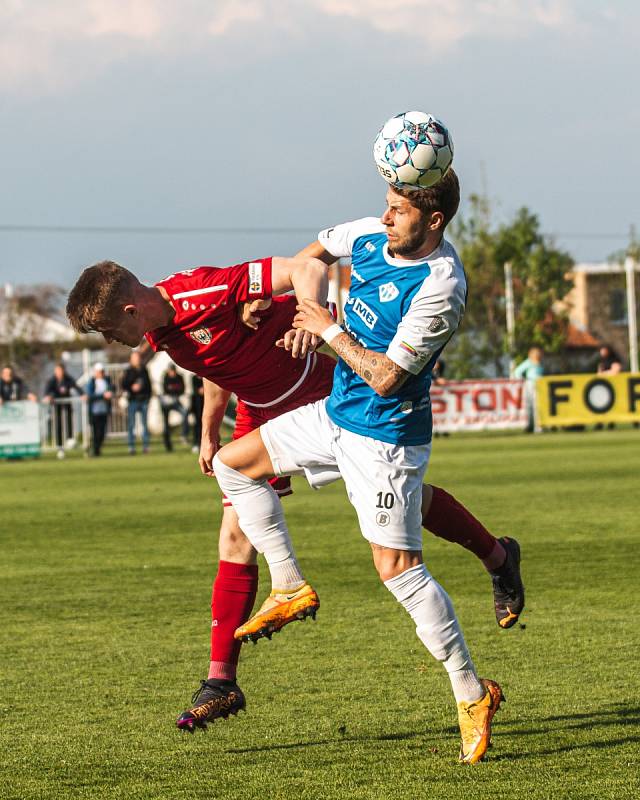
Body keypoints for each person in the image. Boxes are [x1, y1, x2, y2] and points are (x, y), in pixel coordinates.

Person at [65, 247, 522, 747]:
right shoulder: (157, 325)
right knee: (236, 529)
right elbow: (214, 364)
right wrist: (209, 430)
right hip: (260, 410)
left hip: (317, 394)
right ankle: (223, 678)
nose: (111, 341)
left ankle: (498, 557)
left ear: (130, 310)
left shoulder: (206, 289)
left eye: (110, 331)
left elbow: (308, 266)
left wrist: (309, 317)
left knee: (404, 506)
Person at [212, 170, 506, 763]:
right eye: (389, 203)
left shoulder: (441, 285)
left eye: (399, 209)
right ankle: (290, 584)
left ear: (434, 221)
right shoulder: (374, 234)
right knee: (233, 463)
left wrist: (327, 331)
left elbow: (388, 377)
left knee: (396, 568)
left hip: (386, 438)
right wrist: (303, 301)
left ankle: (472, 691)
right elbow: (312, 255)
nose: (386, 215)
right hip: (336, 414)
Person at [43, 363, 81, 457]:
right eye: (57, 371)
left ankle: (70, 438)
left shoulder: (68, 379)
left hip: (67, 404)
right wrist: (47, 396)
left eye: (61, 370)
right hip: (56, 406)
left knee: (69, 420)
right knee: (58, 425)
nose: (59, 373)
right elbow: (47, 391)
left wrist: (82, 394)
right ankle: (60, 447)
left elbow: (76, 387)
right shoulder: (52, 380)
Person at [122, 351, 152, 454]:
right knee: (131, 425)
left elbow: (149, 385)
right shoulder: (128, 371)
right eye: (135, 358)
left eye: (138, 358)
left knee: (144, 424)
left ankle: (146, 446)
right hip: (133, 400)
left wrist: (148, 397)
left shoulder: (144, 370)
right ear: (131, 359)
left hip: (143, 400)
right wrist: (132, 388)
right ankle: (131, 447)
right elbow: (124, 384)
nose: (137, 360)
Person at [85, 363, 113, 456]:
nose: (101, 373)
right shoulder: (91, 382)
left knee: (102, 432)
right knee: (96, 432)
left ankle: (97, 449)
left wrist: (111, 393)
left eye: (102, 371)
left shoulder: (107, 381)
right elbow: (90, 396)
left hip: (104, 410)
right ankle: (95, 450)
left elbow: (112, 389)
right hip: (94, 411)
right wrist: (103, 396)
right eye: (99, 371)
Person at [514, 347, 544, 432]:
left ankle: (538, 426)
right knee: (532, 406)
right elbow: (517, 371)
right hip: (531, 385)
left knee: (538, 406)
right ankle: (531, 426)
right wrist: (523, 380)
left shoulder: (539, 363)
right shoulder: (529, 362)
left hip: (540, 385)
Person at [160, 363, 189, 451]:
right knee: (166, 423)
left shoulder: (179, 377)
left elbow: (182, 389)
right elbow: (165, 389)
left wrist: (174, 391)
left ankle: (183, 435)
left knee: (185, 413)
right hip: (166, 402)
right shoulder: (165, 377)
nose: (172, 373)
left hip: (176, 401)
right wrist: (174, 390)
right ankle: (167, 442)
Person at [190, 374, 205, 454]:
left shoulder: (206, 377)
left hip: (205, 404)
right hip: (197, 405)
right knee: (197, 425)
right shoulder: (194, 378)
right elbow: (196, 390)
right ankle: (196, 443)